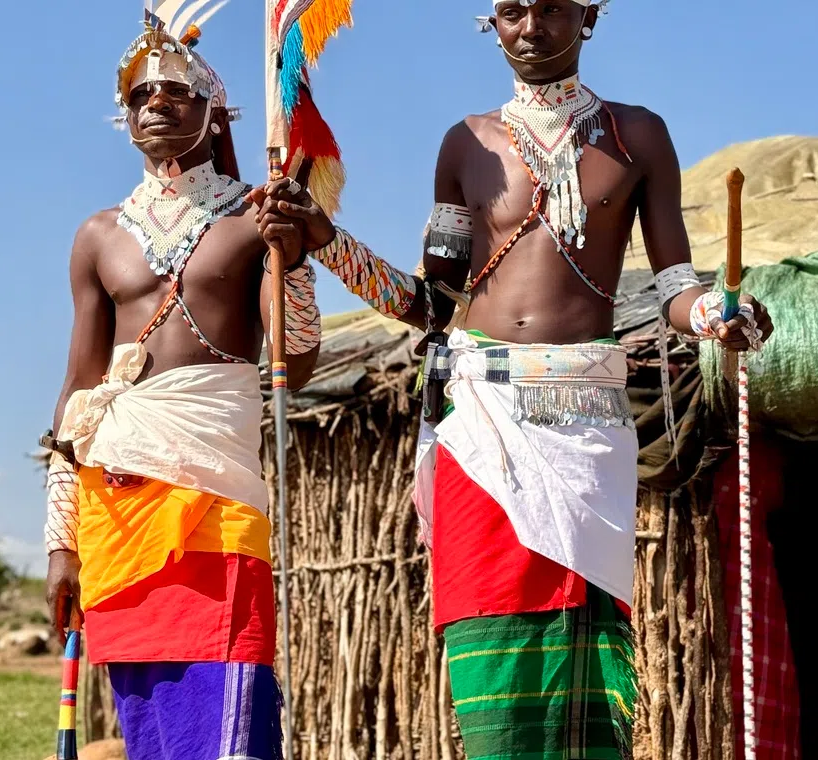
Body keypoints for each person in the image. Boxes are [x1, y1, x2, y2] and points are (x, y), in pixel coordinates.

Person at [248, 0, 774, 757]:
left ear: (588, 15)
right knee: (488, 644)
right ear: (490, 23)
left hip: (586, 421)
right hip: (481, 419)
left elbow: (673, 289)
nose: (532, 27)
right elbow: (431, 303)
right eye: (512, 11)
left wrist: (719, 313)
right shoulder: (465, 143)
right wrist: (326, 242)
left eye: (552, 8)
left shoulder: (637, 136)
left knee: (586, 653)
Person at [39, 8, 321, 760]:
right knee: (152, 728)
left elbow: (300, 361)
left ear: (214, 113)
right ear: (122, 117)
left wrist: (293, 259)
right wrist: (60, 541)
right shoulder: (99, 235)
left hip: (216, 496)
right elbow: (77, 386)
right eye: (140, 96)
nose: (155, 105)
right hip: (115, 507)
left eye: (176, 93)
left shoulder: (254, 218)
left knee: (233, 719)